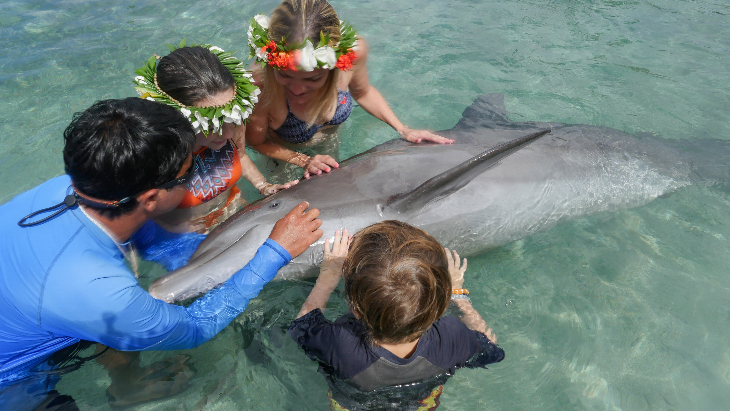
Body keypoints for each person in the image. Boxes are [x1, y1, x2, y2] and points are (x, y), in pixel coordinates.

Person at [0, 98, 323, 410]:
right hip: (13, 383)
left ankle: (126, 383)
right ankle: (125, 393)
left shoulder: (67, 188)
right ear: (152, 197)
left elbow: (152, 238)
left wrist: (223, 253)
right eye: (189, 170)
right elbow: (195, 327)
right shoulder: (101, 292)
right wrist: (274, 253)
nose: (197, 173)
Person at [289, 222, 504, 410]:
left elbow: (301, 327)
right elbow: (490, 350)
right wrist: (458, 293)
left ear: (355, 308)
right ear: (440, 303)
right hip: (421, 405)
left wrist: (328, 276)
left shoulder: (342, 344)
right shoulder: (450, 337)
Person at [244, 0, 455, 183]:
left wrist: (403, 129)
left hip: (330, 140)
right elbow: (257, 143)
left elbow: (363, 93)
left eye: (313, 78)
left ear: (336, 64)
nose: (298, 89)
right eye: (285, 76)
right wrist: (303, 160)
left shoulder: (353, 54)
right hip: (282, 154)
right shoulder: (260, 83)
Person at [133, 43, 298, 233]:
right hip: (184, 235)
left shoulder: (233, 125)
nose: (228, 134)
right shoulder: (154, 150)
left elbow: (241, 156)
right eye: (211, 125)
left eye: (231, 118)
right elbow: (132, 208)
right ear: (178, 118)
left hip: (234, 211)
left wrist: (264, 186)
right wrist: (170, 228)